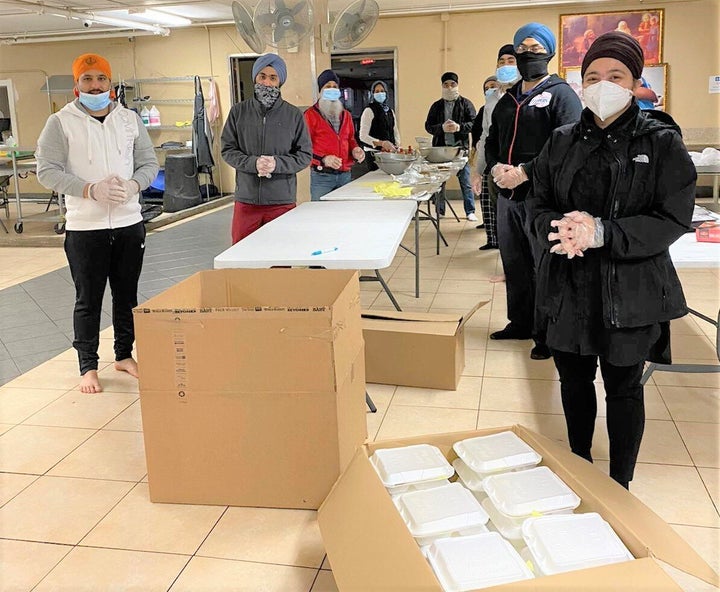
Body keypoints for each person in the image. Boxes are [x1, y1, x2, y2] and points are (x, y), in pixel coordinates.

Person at [526, 32, 695, 489]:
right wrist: (557, 230)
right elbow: (536, 204)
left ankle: (620, 482)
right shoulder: (561, 141)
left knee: (622, 387)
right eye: (593, 75)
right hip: (568, 283)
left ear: (635, 81)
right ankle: (580, 463)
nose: (603, 83)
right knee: (573, 381)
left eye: (615, 75)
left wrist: (604, 232)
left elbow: (673, 217)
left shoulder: (660, 142)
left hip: (631, 290)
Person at [36, 53, 159, 394]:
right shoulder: (60, 122)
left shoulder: (129, 120)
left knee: (126, 294)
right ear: (77, 86)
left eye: (101, 79)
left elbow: (148, 163)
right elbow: (48, 170)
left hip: (128, 222)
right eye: (87, 79)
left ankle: (123, 354)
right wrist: (89, 189)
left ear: (110, 84)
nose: (95, 85)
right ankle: (87, 366)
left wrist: (134, 185)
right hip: (85, 227)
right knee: (88, 298)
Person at [485, 22, 583, 360]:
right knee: (514, 262)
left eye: (535, 48)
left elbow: (567, 145)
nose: (528, 54)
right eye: (522, 49)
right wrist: (496, 166)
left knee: (546, 266)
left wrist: (525, 172)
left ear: (550, 52)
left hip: (542, 197)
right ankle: (520, 322)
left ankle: (547, 334)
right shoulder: (508, 98)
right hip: (507, 196)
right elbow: (492, 140)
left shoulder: (562, 95)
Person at [221, 53, 312, 243]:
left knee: (280, 255)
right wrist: (253, 163)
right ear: (255, 78)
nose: (267, 83)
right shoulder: (238, 112)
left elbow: (304, 155)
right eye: (262, 76)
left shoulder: (294, 115)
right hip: (247, 200)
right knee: (243, 255)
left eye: (273, 78)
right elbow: (228, 149)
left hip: (281, 201)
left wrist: (276, 164)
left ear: (280, 81)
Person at [472, 44, 520, 252]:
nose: (506, 65)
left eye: (511, 61)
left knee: (520, 221)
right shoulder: (491, 99)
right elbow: (485, 135)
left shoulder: (527, 94)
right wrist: (477, 170)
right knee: (500, 215)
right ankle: (507, 263)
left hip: (521, 168)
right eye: (501, 62)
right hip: (496, 167)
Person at [304, 69, 365, 200]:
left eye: (335, 87)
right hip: (322, 177)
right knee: (321, 215)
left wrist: (355, 150)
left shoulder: (346, 115)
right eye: (328, 87)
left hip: (345, 175)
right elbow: (304, 147)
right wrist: (324, 159)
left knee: (344, 215)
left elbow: (350, 139)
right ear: (321, 91)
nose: (332, 89)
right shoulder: (310, 115)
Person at [424, 72, 477, 221]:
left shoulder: (465, 104)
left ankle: (470, 211)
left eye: (452, 84)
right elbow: (428, 126)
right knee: (440, 182)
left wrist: (459, 127)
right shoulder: (436, 106)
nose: (449, 87)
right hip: (440, 150)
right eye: (446, 85)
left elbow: (474, 123)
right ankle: (440, 211)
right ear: (442, 86)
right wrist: (441, 128)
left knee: (465, 181)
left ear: (457, 85)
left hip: (460, 149)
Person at [470, 75, 498, 232]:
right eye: (486, 89)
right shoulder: (485, 109)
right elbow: (480, 132)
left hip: (497, 160)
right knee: (485, 196)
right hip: (483, 155)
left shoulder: (504, 105)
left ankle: (496, 233)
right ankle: (489, 228)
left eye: (492, 86)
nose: (489, 90)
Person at [359, 80, 401, 171]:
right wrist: (381, 143)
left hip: (389, 154)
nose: (380, 94)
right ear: (372, 94)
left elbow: (395, 130)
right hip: (374, 154)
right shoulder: (369, 111)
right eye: (377, 92)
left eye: (382, 91)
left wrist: (397, 145)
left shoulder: (390, 111)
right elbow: (363, 136)